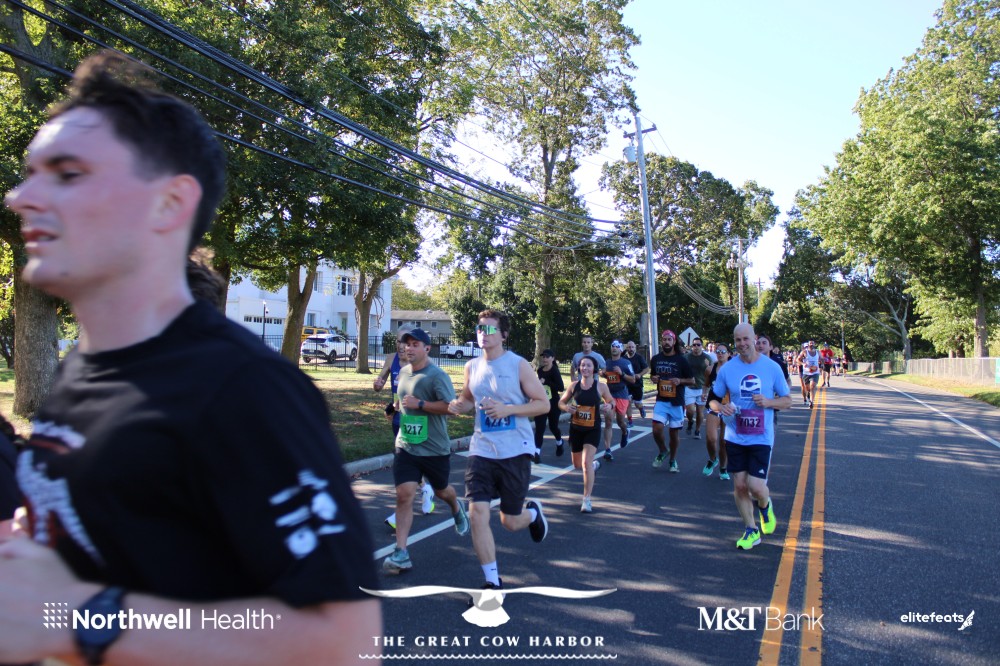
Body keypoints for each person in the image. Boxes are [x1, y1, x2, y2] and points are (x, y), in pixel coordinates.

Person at [0, 52, 379, 665]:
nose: (21, 197)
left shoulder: (242, 388)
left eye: (67, 174)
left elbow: (342, 642)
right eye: (29, 173)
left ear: (169, 203)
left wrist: (70, 617)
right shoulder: (82, 371)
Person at [448, 309, 550, 592]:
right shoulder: (472, 367)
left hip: (514, 449)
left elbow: (543, 404)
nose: (483, 334)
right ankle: (492, 581)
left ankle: (532, 514)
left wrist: (508, 409)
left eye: (490, 329)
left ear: (503, 335)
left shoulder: (518, 365)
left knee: (510, 522)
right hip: (481, 449)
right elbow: (468, 399)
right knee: (477, 513)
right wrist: (456, 406)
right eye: (480, 328)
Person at [383, 328, 470, 574]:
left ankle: (456, 506)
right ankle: (401, 552)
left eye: (415, 344)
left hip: (434, 448)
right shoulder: (403, 373)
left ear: (427, 348)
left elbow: (451, 408)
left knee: (442, 491)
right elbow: (403, 400)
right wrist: (394, 408)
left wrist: (420, 404)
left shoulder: (437, 376)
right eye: (406, 344)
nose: (408, 348)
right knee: (404, 495)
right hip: (406, 445)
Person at [708, 323, 792, 550]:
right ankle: (751, 530)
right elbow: (712, 400)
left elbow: (787, 401)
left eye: (746, 339)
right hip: (735, 435)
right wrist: (721, 407)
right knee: (740, 486)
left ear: (754, 339)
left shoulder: (771, 367)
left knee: (756, 487)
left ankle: (765, 506)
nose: (742, 344)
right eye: (738, 340)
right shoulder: (727, 369)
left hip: (761, 436)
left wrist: (769, 402)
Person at [376, 326, 434, 527]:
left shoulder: (417, 362)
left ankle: (400, 513)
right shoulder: (391, 359)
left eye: (406, 342)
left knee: (404, 463)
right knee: (407, 461)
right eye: (399, 341)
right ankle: (427, 488)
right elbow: (380, 383)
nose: (402, 346)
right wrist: (378, 384)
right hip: (397, 416)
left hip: (414, 418)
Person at [558, 356, 614, 513]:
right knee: (577, 465)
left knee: (585, 463)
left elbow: (611, 401)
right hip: (576, 429)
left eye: (588, 365)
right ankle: (593, 466)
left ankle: (586, 499)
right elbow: (560, 402)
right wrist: (566, 408)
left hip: (592, 429)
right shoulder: (574, 386)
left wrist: (609, 406)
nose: (585, 368)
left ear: (594, 369)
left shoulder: (600, 386)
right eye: (583, 365)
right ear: (579, 368)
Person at [648, 329, 695, 473]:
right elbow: (653, 376)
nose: (666, 342)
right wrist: (653, 379)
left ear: (674, 342)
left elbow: (692, 380)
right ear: (661, 342)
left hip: (677, 402)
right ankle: (663, 450)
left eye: (669, 339)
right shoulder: (656, 359)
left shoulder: (681, 360)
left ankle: (672, 460)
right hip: (662, 400)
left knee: (674, 434)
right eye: (664, 339)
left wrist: (680, 381)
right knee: (656, 429)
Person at [600, 340, 635, 460]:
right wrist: (603, 374)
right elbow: (605, 374)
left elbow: (633, 379)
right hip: (609, 395)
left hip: (622, 395)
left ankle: (625, 432)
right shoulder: (607, 362)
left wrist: (622, 374)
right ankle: (607, 450)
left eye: (616, 346)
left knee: (620, 422)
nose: (614, 348)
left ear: (620, 349)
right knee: (608, 421)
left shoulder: (626, 363)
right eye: (612, 346)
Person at [702, 344, 732, 479]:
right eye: (718, 351)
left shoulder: (734, 370)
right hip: (714, 405)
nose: (720, 354)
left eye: (723, 351)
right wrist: (704, 393)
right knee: (711, 438)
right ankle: (713, 459)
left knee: (724, 441)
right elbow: (706, 384)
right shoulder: (710, 369)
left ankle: (723, 469)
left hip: (728, 407)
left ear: (728, 354)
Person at [534, 349, 566, 462]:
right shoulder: (540, 370)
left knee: (553, 427)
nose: (545, 359)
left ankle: (559, 442)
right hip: (542, 402)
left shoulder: (554, 371)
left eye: (547, 357)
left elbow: (560, 387)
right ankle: (537, 452)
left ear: (552, 358)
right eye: (543, 357)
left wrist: (547, 382)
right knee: (540, 427)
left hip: (553, 403)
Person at [756, 334, 790, 428]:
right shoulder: (749, 364)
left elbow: (788, 380)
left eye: (764, 343)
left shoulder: (777, 364)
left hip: (770, 407)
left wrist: (783, 393)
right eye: (758, 343)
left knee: (768, 433)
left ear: (770, 347)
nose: (760, 345)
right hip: (751, 408)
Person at [683, 337, 713, 439]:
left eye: (698, 345)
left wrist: (708, 367)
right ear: (692, 346)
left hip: (702, 388)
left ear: (701, 346)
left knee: (700, 412)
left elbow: (711, 373)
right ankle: (690, 421)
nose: (696, 347)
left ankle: (697, 430)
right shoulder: (686, 357)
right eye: (694, 345)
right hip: (689, 387)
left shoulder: (707, 358)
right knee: (690, 410)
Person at [623, 340, 648, 423]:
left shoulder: (639, 358)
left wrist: (639, 375)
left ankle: (641, 408)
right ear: (626, 348)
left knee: (637, 404)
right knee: (628, 402)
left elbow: (646, 369)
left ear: (635, 348)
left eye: (632, 347)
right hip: (627, 384)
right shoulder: (624, 358)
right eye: (629, 347)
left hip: (637, 384)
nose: (631, 349)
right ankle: (630, 420)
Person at [798, 341, 822, 408]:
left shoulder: (818, 352)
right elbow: (797, 360)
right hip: (806, 372)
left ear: (814, 344)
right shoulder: (804, 352)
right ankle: (808, 395)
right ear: (808, 345)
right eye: (810, 343)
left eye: (812, 343)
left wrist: (822, 362)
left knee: (812, 386)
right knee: (807, 388)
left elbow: (822, 358)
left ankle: (811, 401)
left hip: (815, 372)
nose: (811, 344)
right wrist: (803, 363)